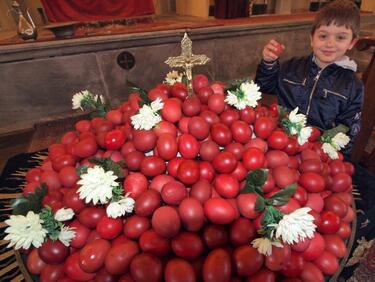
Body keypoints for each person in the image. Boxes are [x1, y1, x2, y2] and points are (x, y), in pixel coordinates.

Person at [255, 0, 364, 155]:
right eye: (323, 36)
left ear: (352, 42)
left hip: (317, 152)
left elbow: (348, 130)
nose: (330, 43)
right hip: (281, 141)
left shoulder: (353, 85)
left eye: (340, 37)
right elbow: (264, 86)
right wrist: (269, 63)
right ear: (312, 38)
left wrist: (336, 159)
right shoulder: (291, 67)